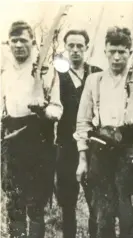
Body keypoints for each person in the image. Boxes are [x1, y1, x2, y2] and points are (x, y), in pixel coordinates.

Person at [74, 26, 133, 238]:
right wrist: (83, 159)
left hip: (130, 150)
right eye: (112, 51)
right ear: (106, 52)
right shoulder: (95, 81)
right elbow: (83, 122)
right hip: (101, 149)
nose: (117, 57)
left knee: (128, 210)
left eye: (122, 51)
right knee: (103, 211)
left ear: (130, 53)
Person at [1, 20, 62, 238]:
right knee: (13, 203)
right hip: (11, 140)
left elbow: (57, 109)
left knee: (35, 206)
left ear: (33, 42)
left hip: (38, 139)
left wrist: (43, 109)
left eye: (23, 40)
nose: (18, 45)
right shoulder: (5, 73)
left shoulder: (45, 71)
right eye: (13, 41)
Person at [55, 29, 102, 238]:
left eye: (80, 46)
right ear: (65, 48)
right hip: (66, 145)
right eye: (71, 46)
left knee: (95, 201)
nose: (75, 50)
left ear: (87, 48)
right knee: (68, 202)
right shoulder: (57, 76)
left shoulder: (97, 74)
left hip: (92, 145)